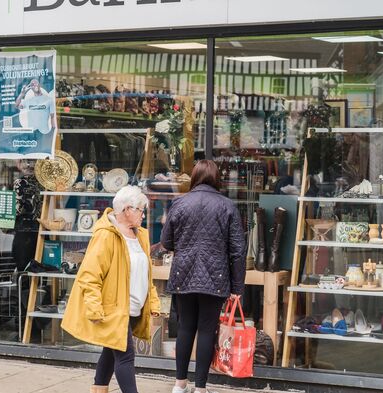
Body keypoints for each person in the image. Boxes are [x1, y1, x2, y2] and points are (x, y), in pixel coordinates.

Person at [61, 185, 161, 393]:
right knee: (125, 356)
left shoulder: (140, 235)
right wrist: (94, 308)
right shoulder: (106, 235)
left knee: (110, 350)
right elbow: (90, 275)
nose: (143, 214)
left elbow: (146, 273)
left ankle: (98, 388)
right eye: (141, 209)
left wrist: (152, 301)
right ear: (126, 210)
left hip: (133, 306)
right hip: (114, 308)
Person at [160, 160, 246, 393]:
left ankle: (179, 384)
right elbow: (238, 249)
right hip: (215, 276)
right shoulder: (227, 206)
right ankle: (200, 388)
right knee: (207, 329)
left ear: (195, 176)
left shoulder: (179, 203)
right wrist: (238, 286)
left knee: (185, 327)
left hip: (183, 273)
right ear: (216, 178)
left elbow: (166, 242)